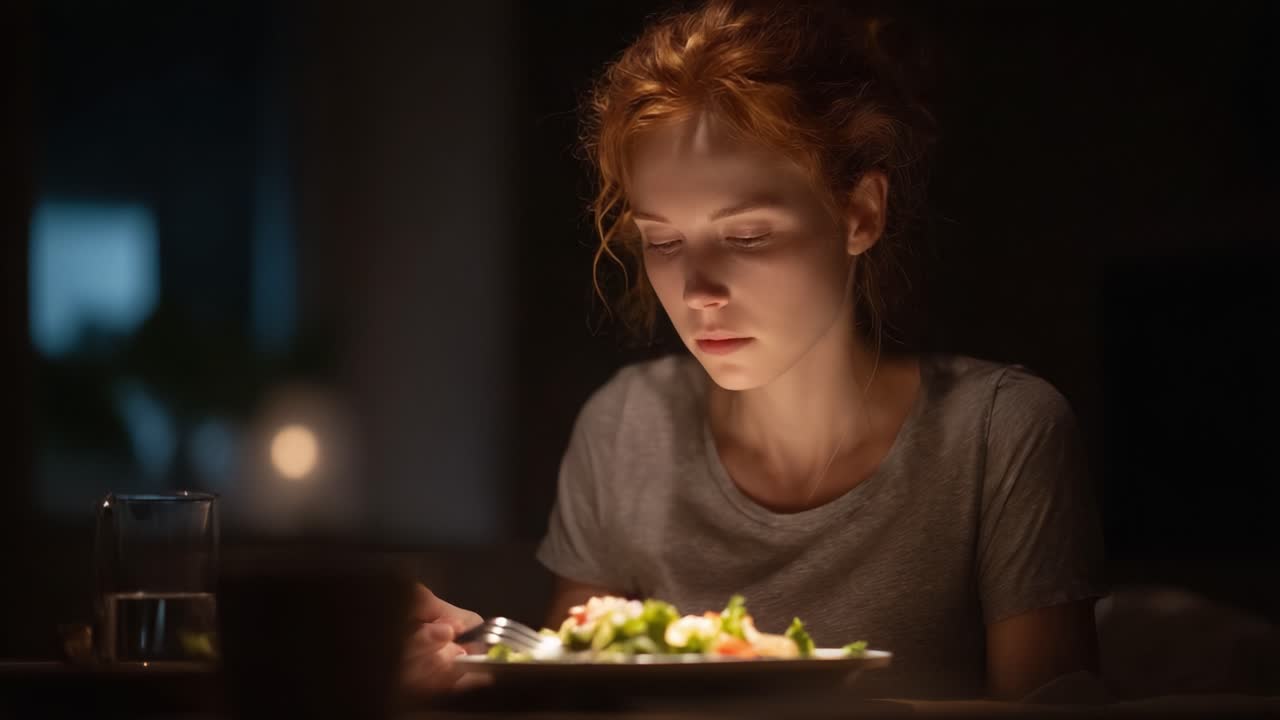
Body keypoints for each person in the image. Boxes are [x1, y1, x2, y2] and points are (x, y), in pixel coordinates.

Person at [404, 0, 1106, 700]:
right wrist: (483, 665)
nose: (699, 291)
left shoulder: (999, 436)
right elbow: (579, 697)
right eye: (665, 242)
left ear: (860, 213)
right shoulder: (627, 428)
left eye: (747, 237)